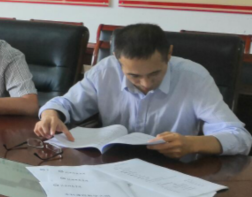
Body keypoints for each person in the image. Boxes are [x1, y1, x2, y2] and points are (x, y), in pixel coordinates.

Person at [35, 23, 252, 159]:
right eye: (134, 76)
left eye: (155, 73)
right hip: (112, 167)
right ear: (118, 60)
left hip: (175, 171)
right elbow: (64, 104)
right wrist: (51, 115)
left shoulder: (194, 78)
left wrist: (192, 143)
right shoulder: (106, 70)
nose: (146, 83)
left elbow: (240, 138)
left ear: (169, 54)